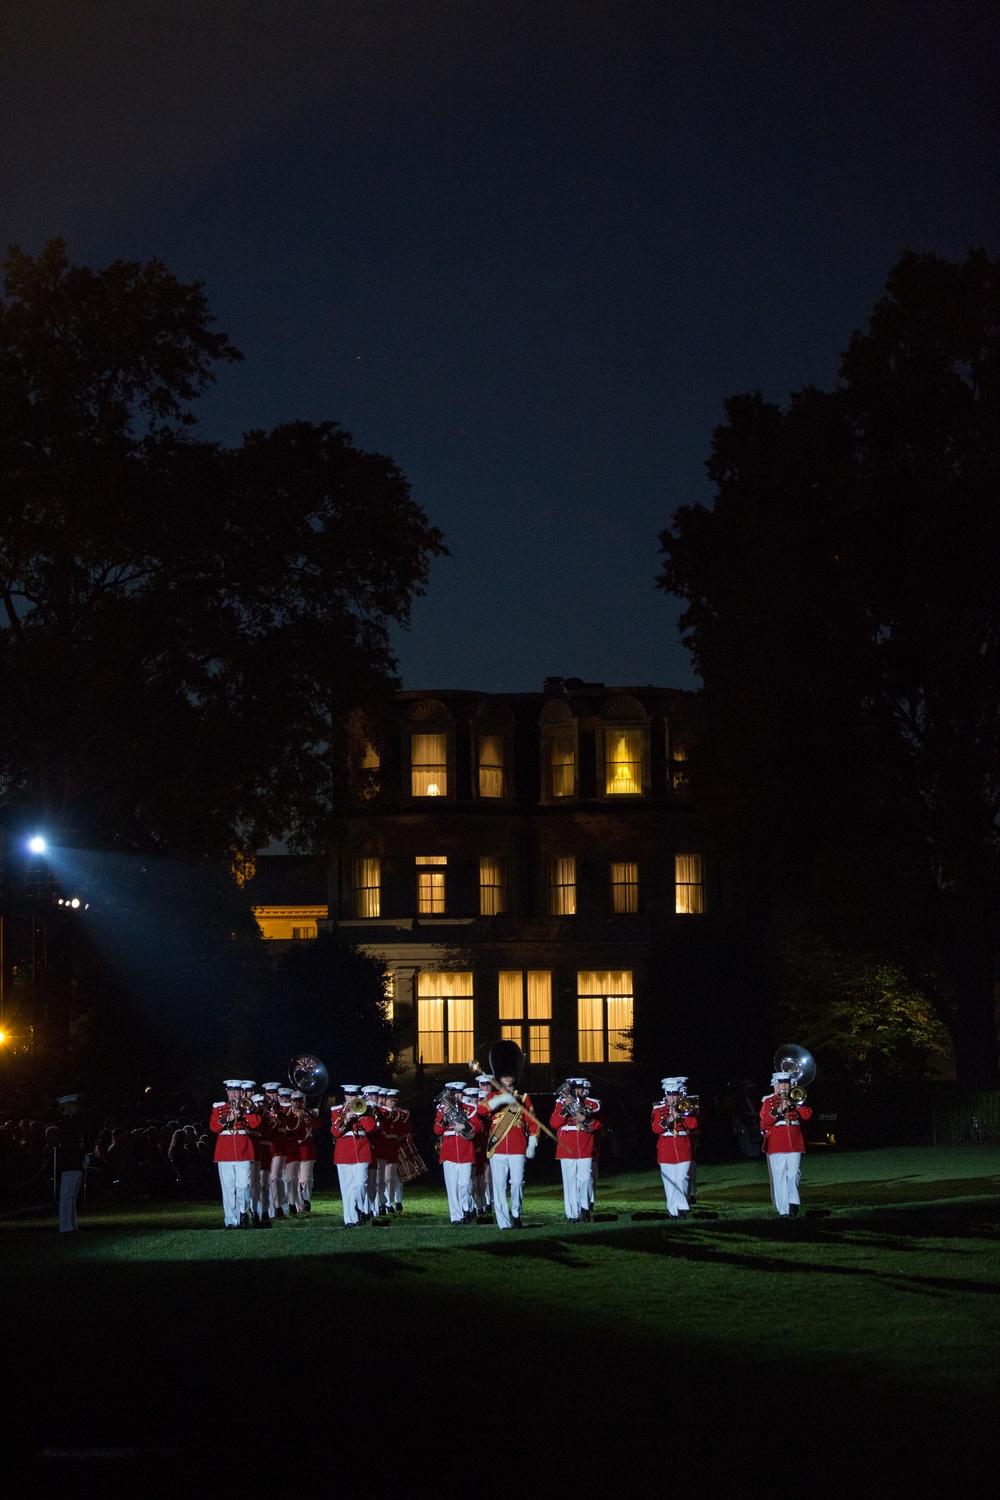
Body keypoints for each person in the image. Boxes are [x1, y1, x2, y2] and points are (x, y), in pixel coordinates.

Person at [481, 1071, 539, 1230]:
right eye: (503, 1075)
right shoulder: (491, 1098)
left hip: (517, 1147)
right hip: (497, 1147)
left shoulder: (523, 1098)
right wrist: (499, 1100)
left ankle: (516, 1214)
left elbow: (533, 1123)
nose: (506, 1078)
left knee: (517, 1183)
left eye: (509, 1075)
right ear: (499, 1078)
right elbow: (480, 1112)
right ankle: (503, 1222)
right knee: (498, 1186)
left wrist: (532, 1144)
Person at [760, 1071, 813, 1217]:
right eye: (781, 1084)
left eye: (786, 1083)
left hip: (794, 1139)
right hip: (777, 1139)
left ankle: (793, 1201)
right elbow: (764, 1123)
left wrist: (796, 1103)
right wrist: (779, 1110)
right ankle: (783, 1210)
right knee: (779, 1176)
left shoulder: (797, 1098)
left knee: (794, 1172)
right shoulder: (768, 1101)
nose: (784, 1087)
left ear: (791, 1084)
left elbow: (807, 1115)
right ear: (775, 1086)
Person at [209, 1080, 261, 1229]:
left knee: (244, 1185)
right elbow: (213, 1127)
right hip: (224, 1150)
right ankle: (231, 1221)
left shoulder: (249, 1106)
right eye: (231, 1091)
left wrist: (245, 1110)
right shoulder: (219, 1107)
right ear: (227, 1093)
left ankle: (243, 1212)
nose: (233, 1094)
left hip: (243, 1148)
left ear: (241, 1093)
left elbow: (255, 1123)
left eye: (236, 1091)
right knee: (228, 1188)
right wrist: (228, 1119)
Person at [550, 1078, 601, 1223]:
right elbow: (554, 1123)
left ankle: (585, 1208)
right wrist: (565, 1110)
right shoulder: (560, 1103)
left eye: (579, 1088)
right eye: (574, 1089)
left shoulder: (590, 1103)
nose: (577, 1091)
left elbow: (597, 1123)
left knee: (585, 1179)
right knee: (569, 1181)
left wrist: (584, 1118)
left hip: (585, 1144)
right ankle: (572, 1214)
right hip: (567, 1145)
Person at [434, 1082, 481, 1225]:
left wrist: (463, 1126)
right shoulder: (442, 1109)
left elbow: (477, 1126)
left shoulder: (470, 1108)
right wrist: (443, 1117)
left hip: (465, 1148)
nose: (456, 1096)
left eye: (459, 1093)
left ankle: (466, 1208)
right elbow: (437, 1130)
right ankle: (456, 1216)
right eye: (453, 1094)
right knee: (452, 1185)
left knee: (465, 1183)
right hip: (449, 1149)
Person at [330, 1085, 376, 1227]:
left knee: (360, 1183)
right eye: (348, 1096)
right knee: (347, 1187)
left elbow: (371, 1128)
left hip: (362, 1150)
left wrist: (362, 1114)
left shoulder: (366, 1109)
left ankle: (360, 1208)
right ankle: (350, 1219)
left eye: (353, 1096)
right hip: (344, 1151)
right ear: (344, 1096)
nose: (351, 1098)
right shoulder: (337, 1110)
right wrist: (346, 1119)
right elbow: (335, 1132)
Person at [652, 1078, 698, 1218]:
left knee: (682, 1177)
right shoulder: (659, 1109)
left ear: (679, 1095)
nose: (672, 1098)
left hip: (683, 1146)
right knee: (669, 1181)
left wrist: (682, 1116)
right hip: (666, 1147)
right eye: (669, 1094)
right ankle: (673, 1211)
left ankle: (682, 1207)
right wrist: (669, 1120)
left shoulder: (686, 1107)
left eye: (674, 1094)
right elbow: (655, 1128)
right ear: (665, 1095)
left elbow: (693, 1125)